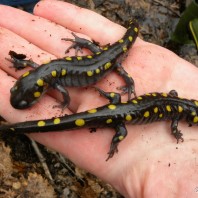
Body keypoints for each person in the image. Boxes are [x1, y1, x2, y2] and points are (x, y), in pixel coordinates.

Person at [0, 1, 198, 197]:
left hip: (112, 87)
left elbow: (170, 96)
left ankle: (131, 28)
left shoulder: (42, 73)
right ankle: (131, 27)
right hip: (110, 87)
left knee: (114, 95)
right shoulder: (174, 114)